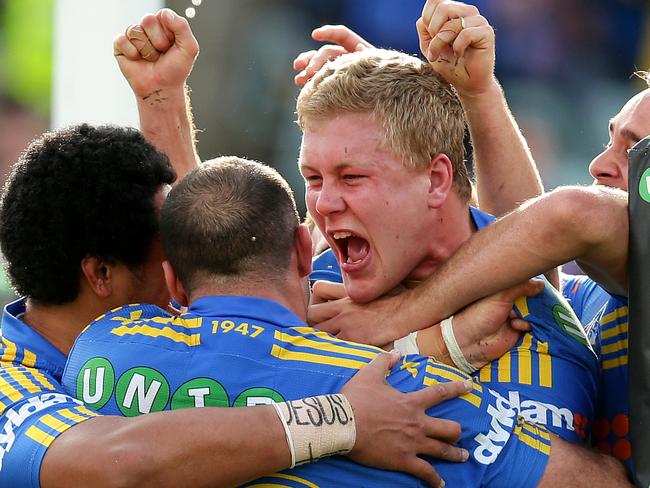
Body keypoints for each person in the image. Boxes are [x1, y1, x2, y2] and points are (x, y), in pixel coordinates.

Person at [62, 156, 602, 487]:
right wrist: (439, 348)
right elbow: (593, 483)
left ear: (173, 282)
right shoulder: (407, 402)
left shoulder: (99, 347)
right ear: (305, 249)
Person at [0, 122, 472, 488]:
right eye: (172, 246)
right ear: (102, 274)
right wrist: (339, 420)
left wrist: (439, 336)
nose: (196, 256)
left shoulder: (167, 334)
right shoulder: (8, 380)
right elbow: (116, 466)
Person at [302, 0, 639, 474]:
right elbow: (524, 249)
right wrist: (409, 106)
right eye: (314, 178)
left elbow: (570, 216)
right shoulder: (589, 302)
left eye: (637, 154)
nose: (599, 166)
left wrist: (400, 321)